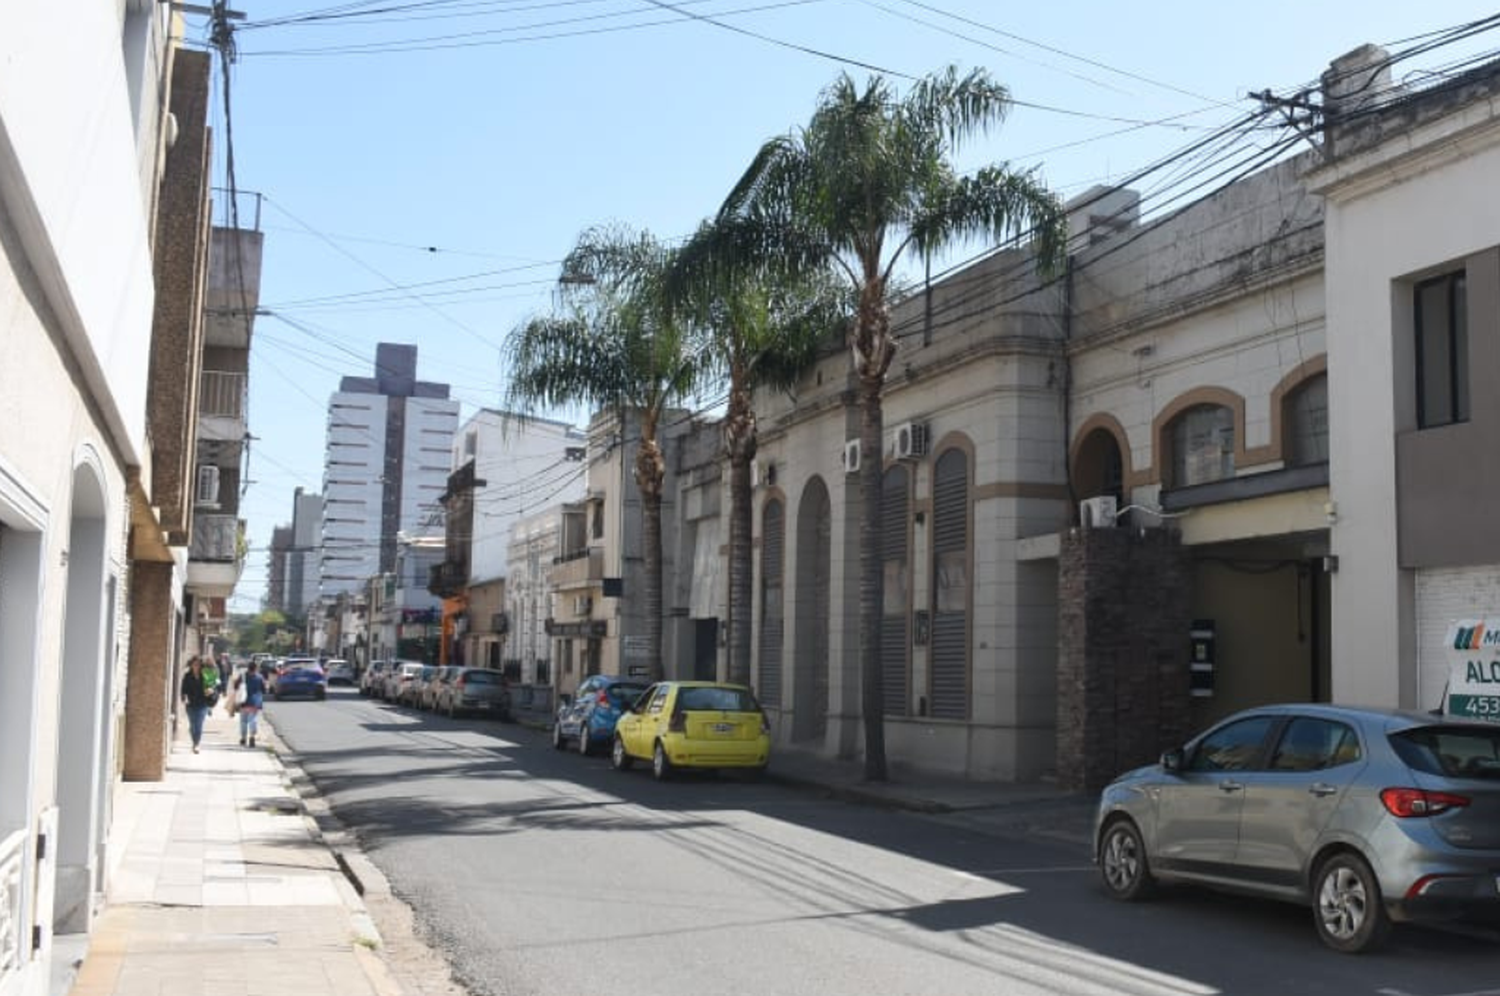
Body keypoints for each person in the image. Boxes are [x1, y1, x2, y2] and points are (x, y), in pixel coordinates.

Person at [179, 656, 212, 754]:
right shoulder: (187, 676)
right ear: (191, 665)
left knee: (199, 724)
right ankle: (194, 740)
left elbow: (213, 685)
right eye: (194, 664)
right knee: (193, 725)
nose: (196, 666)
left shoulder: (206, 675)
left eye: (198, 665)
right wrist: (184, 697)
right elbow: (183, 689)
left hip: (203, 703)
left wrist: (211, 690)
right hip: (191, 703)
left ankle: (196, 744)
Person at [234, 660, 268, 748]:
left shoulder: (242, 676)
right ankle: (252, 737)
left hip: (243, 701)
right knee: (252, 720)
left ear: (248, 668)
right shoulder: (260, 677)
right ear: (256, 668)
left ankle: (243, 738)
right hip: (255, 702)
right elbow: (264, 690)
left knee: (243, 721)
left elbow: (235, 686)